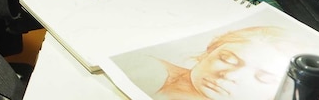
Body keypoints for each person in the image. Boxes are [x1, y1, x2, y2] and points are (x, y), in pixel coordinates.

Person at [116, 25, 304, 100]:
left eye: (264, 77)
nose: (229, 76)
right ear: (209, 50)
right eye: (228, 59)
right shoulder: (152, 71)